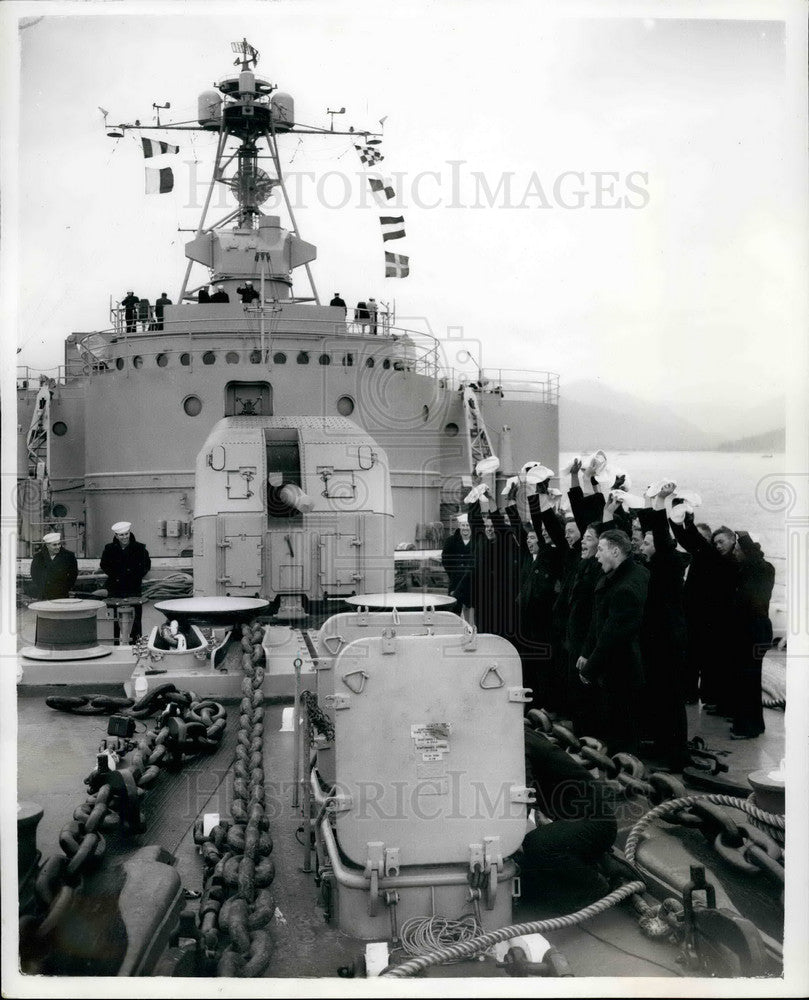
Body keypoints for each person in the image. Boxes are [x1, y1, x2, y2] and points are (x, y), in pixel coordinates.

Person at [577, 529, 649, 755]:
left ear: (615, 551)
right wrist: (586, 652)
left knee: (621, 729)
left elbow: (612, 636)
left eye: (600, 549)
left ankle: (624, 775)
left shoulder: (625, 588)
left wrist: (590, 668)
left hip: (622, 670)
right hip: (619, 667)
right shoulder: (626, 575)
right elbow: (598, 620)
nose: (596, 555)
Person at [635, 486, 689, 771]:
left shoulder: (669, 561)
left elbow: (662, 539)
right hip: (657, 640)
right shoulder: (654, 564)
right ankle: (661, 744)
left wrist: (659, 503)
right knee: (658, 695)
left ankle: (677, 756)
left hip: (669, 641)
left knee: (670, 699)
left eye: (647, 543)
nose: (641, 547)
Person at [729, 531, 774, 739]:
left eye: (739, 550)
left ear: (749, 551)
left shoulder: (762, 569)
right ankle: (754, 724)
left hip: (754, 632)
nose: (735, 554)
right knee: (748, 679)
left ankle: (748, 727)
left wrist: (744, 540)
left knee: (747, 679)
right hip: (750, 632)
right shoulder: (749, 571)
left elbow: (755, 561)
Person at [99, 521, 151, 642]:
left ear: (129, 533)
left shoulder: (140, 548)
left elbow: (146, 565)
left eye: (126, 534)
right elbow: (104, 564)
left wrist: (135, 576)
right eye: (121, 535)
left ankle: (136, 642)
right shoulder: (109, 548)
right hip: (115, 587)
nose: (125, 537)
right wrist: (115, 575)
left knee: (136, 619)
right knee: (113, 618)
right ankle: (115, 641)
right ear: (116, 536)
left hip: (133, 587)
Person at [440, 513, 475, 624]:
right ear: (459, 526)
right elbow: (445, 560)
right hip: (456, 582)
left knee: (471, 611)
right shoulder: (451, 541)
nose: (465, 528)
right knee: (454, 611)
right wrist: (454, 575)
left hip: (472, 582)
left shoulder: (477, 541)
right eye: (463, 525)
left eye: (467, 525)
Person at [29, 532, 78, 600]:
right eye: (54, 545)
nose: (58, 547)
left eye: (59, 544)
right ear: (47, 545)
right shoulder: (39, 557)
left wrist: (65, 588)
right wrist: (42, 587)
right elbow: (34, 574)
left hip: (61, 594)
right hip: (44, 595)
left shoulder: (69, 556)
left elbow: (73, 575)